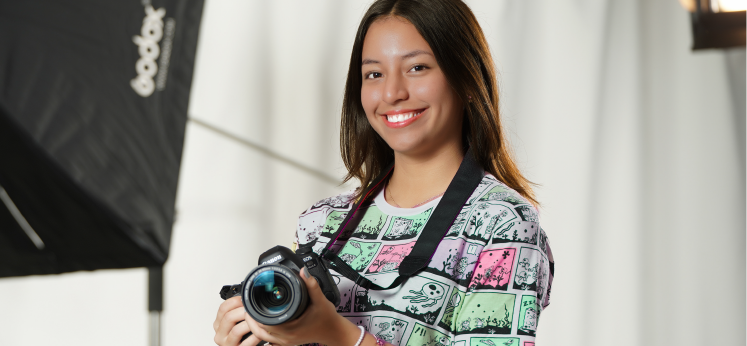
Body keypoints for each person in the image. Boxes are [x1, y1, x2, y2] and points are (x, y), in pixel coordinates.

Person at [213, 0, 554, 345]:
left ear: (466, 79)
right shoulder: (320, 224)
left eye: (417, 68)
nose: (392, 93)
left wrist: (340, 336)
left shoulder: (503, 223)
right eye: (374, 74)